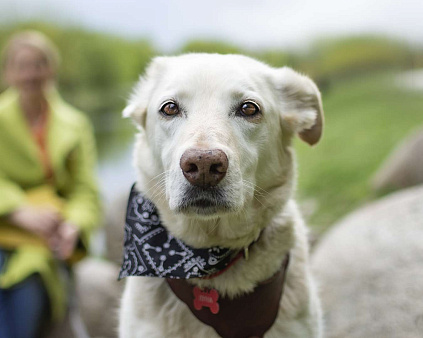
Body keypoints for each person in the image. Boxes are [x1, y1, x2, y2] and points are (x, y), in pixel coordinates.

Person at [0, 31, 101, 338]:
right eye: (23, 65)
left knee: (29, 289)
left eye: (39, 64)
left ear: (52, 69)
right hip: (6, 229)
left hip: (52, 239)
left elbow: (86, 191)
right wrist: (18, 210)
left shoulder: (75, 123)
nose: (31, 73)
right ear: (8, 72)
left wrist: (73, 224)